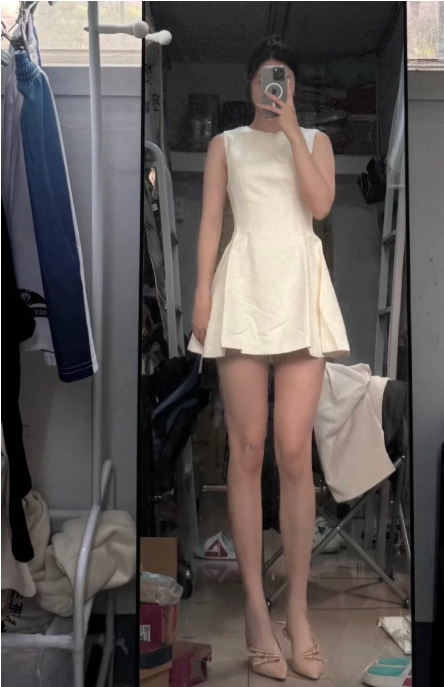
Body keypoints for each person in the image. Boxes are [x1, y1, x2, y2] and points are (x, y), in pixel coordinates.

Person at [189, 36, 349, 681]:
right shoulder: (224, 145)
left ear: (293, 86)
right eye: (264, 78)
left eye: (283, 77)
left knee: (293, 452)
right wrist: (202, 293)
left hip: (300, 292)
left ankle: (298, 613)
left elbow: (320, 206)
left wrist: (290, 133)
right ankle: (257, 612)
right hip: (245, 290)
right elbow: (210, 223)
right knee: (248, 450)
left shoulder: (315, 141)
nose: (273, 87)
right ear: (250, 84)